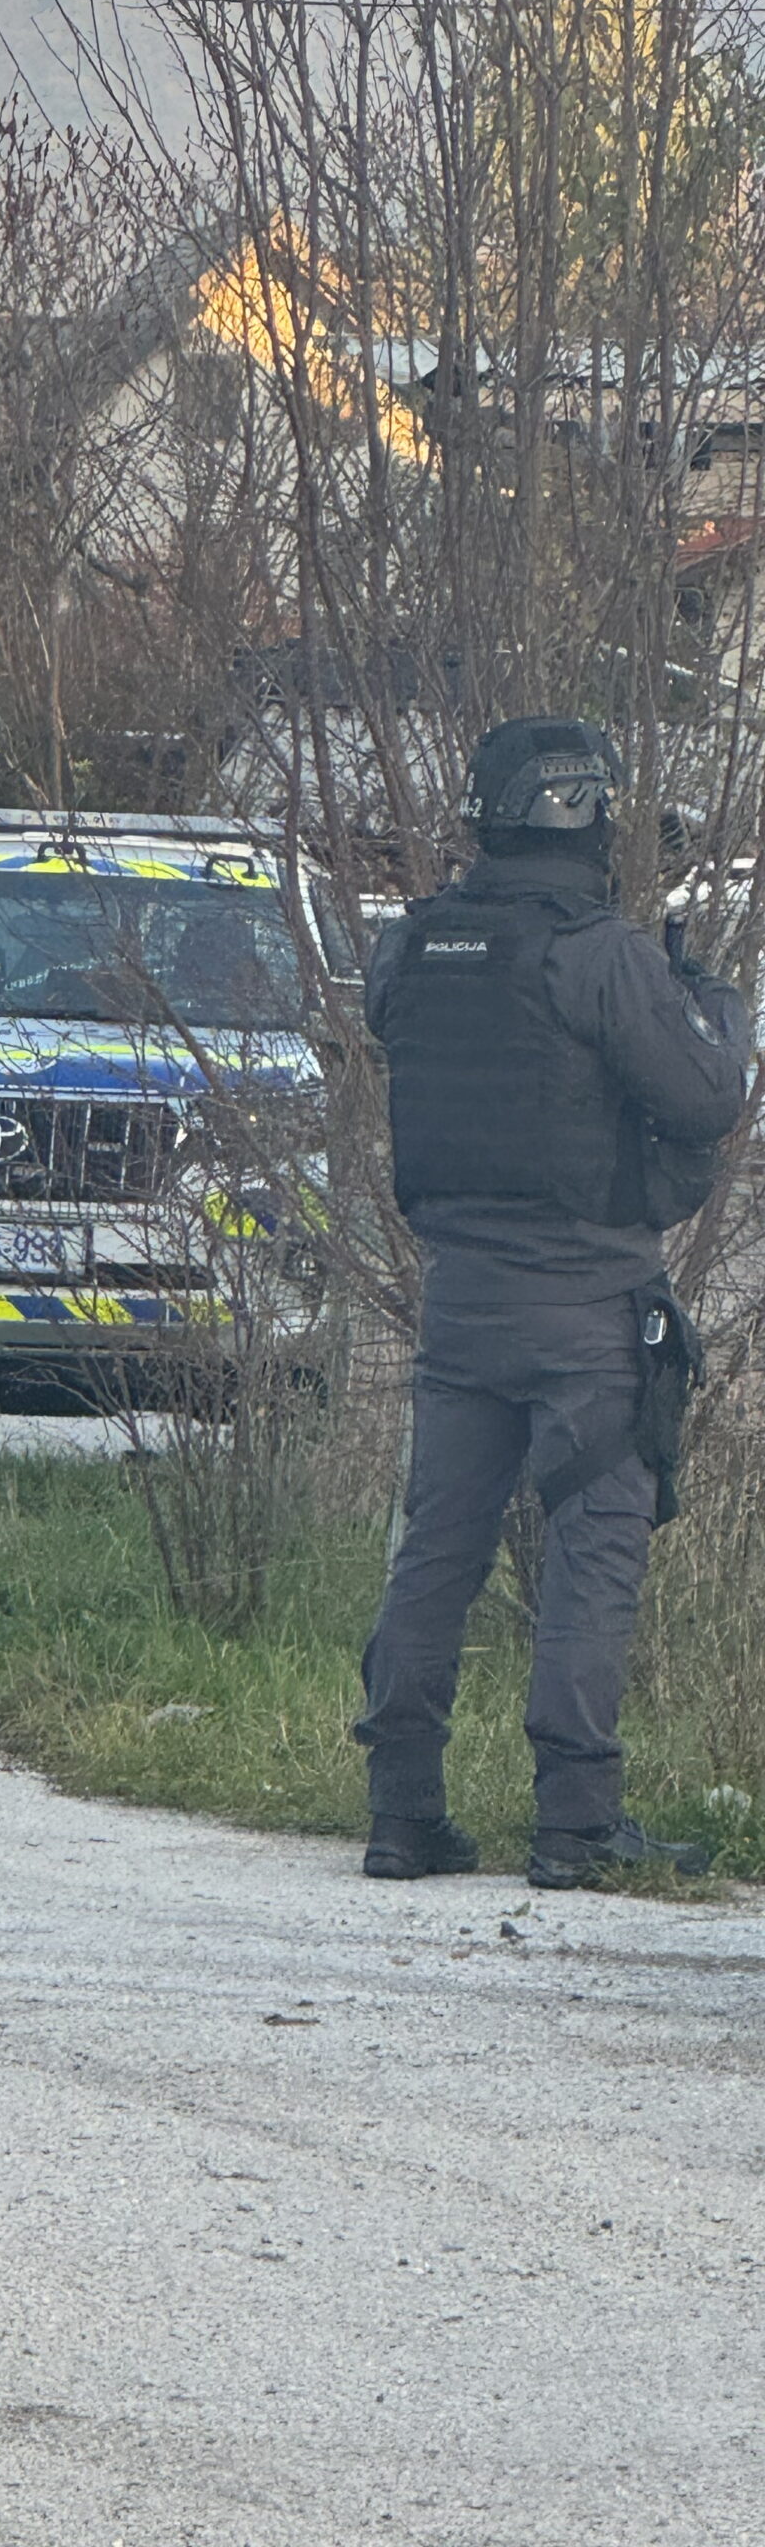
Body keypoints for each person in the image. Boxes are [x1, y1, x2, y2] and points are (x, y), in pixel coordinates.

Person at [356, 716, 750, 1890]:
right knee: (593, 1550)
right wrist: (712, 1003)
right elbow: (707, 1094)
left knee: (439, 1547)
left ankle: (402, 1812)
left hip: (460, 1304)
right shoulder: (600, 954)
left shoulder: (415, 944)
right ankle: (576, 1820)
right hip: (587, 1303)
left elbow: (397, 1027)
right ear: (583, 812)